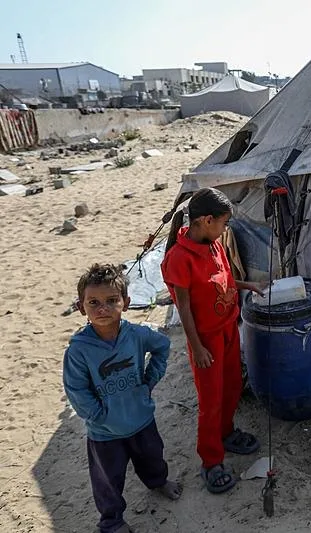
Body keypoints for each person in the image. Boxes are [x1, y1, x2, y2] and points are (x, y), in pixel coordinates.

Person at [63, 264, 182, 533]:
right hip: (105, 433)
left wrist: (150, 380)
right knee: (108, 480)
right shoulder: (79, 350)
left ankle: (158, 482)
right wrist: (99, 415)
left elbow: (162, 347)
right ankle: (112, 521)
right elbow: (76, 389)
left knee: (153, 456)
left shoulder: (136, 335)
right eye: (93, 302)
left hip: (141, 418)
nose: (102, 308)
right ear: (81, 307)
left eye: (111, 301)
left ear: (125, 303)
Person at [161, 187, 264, 494]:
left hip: (228, 327)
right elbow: (184, 307)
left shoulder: (213, 244)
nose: (224, 229)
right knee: (211, 399)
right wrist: (197, 347)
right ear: (206, 221)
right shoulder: (179, 258)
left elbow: (225, 280)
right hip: (205, 338)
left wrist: (250, 285)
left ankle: (226, 431)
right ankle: (211, 460)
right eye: (222, 223)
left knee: (232, 385)